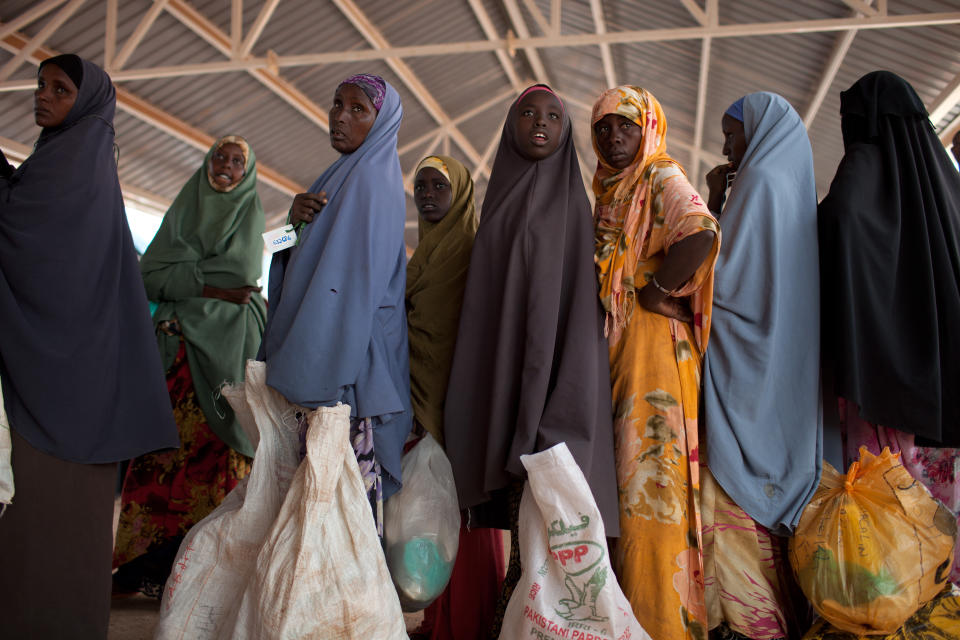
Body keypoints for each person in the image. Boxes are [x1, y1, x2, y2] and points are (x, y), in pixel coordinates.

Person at [0, 54, 178, 637]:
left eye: (60, 88)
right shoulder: (66, 163)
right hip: (80, 387)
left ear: (91, 100)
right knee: (61, 532)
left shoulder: (69, 171)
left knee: (45, 525)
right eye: (41, 85)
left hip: (54, 388)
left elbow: (35, 254)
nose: (43, 96)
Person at [443, 84, 618, 637]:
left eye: (551, 117)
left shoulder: (574, 209)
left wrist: (549, 409)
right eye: (527, 115)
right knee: (522, 533)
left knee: (543, 530)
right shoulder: (498, 200)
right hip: (505, 384)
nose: (539, 124)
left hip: (554, 396)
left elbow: (569, 315)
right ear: (510, 126)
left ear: (567, 132)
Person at [819, 71, 960, 584]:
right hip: (942, 382)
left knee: (886, 512)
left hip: (878, 375)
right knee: (940, 508)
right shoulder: (945, 180)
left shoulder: (863, 165)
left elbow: (838, 222)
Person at [112, 135, 267, 597]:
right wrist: (213, 288)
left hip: (223, 356)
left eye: (238, 161)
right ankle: (145, 566)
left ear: (248, 172)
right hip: (175, 359)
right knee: (159, 459)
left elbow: (244, 272)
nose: (226, 165)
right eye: (219, 156)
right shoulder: (184, 206)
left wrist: (189, 282)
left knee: (218, 463)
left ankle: (203, 574)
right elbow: (147, 276)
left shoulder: (255, 214)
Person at [590, 85, 719, 640]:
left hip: (656, 361)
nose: (615, 137)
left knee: (654, 494)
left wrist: (655, 289)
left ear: (649, 128)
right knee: (626, 495)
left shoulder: (659, 177)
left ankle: (660, 626)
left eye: (626, 125)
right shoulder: (609, 193)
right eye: (603, 128)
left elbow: (702, 233)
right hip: (622, 359)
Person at [260, 73, 411, 533]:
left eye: (357, 110)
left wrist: (326, 383)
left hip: (343, 372)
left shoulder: (368, 181)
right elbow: (280, 248)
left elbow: (348, 294)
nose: (340, 117)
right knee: (322, 509)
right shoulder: (335, 177)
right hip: (327, 360)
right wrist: (289, 220)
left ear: (381, 121)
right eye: (336, 105)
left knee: (334, 508)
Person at [701, 92, 821, 639]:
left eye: (733, 134)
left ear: (761, 133)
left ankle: (749, 626)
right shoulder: (792, 188)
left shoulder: (756, 185)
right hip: (782, 374)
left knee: (727, 509)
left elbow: (719, 282)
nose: (727, 146)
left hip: (740, 373)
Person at [406, 155, 505, 640]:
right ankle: (438, 616)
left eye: (439, 186)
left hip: (463, 402)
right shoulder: (418, 254)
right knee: (430, 511)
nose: (427, 194)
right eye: (421, 186)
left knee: (465, 512)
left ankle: (470, 622)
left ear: (461, 192)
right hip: (420, 398)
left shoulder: (474, 250)